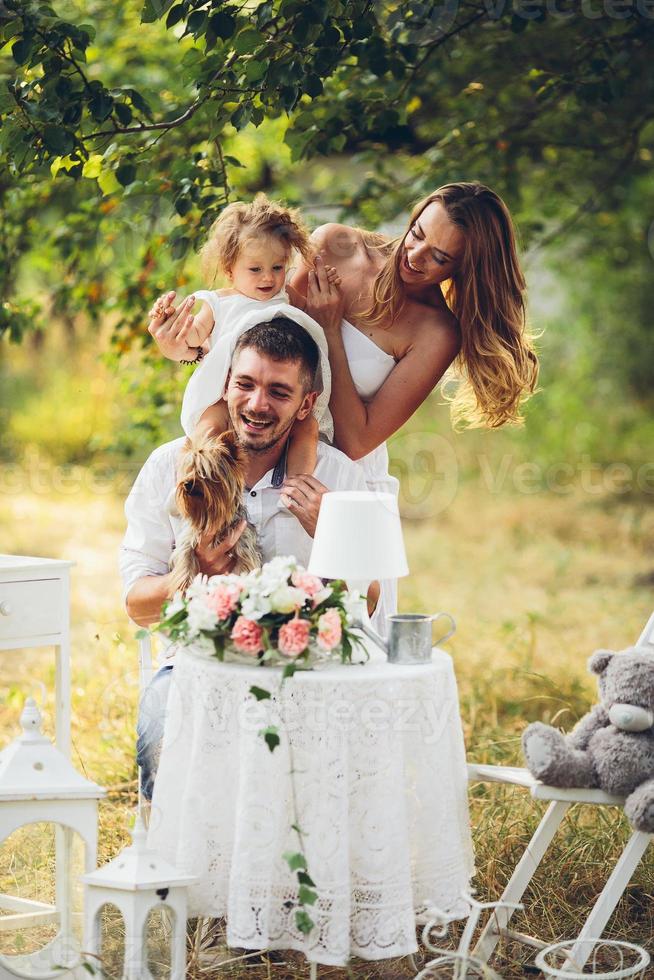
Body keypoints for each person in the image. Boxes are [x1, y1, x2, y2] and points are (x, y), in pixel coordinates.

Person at [120, 316, 381, 801]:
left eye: (279, 392)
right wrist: (193, 569)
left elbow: (369, 605)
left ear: (306, 405)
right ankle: (172, 868)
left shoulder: (338, 476)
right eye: (246, 384)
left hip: (307, 668)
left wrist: (334, 536)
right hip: (197, 666)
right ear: (225, 386)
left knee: (347, 743)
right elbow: (137, 605)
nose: (257, 405)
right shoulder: (170, 466)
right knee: (162, 724)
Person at [147, 194, 340, 477]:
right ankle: (200, 482)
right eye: (255, 269)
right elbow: (194, 338)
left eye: (277, 268)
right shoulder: (219, 303)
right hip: (224, 393)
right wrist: (173, 322)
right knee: (210, 427)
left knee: (308, 427)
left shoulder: (285, 296)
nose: (268, 278)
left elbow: (308, 317)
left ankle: (298, 484)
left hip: (273, 391)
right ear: (229, 269)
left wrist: (326, 288)